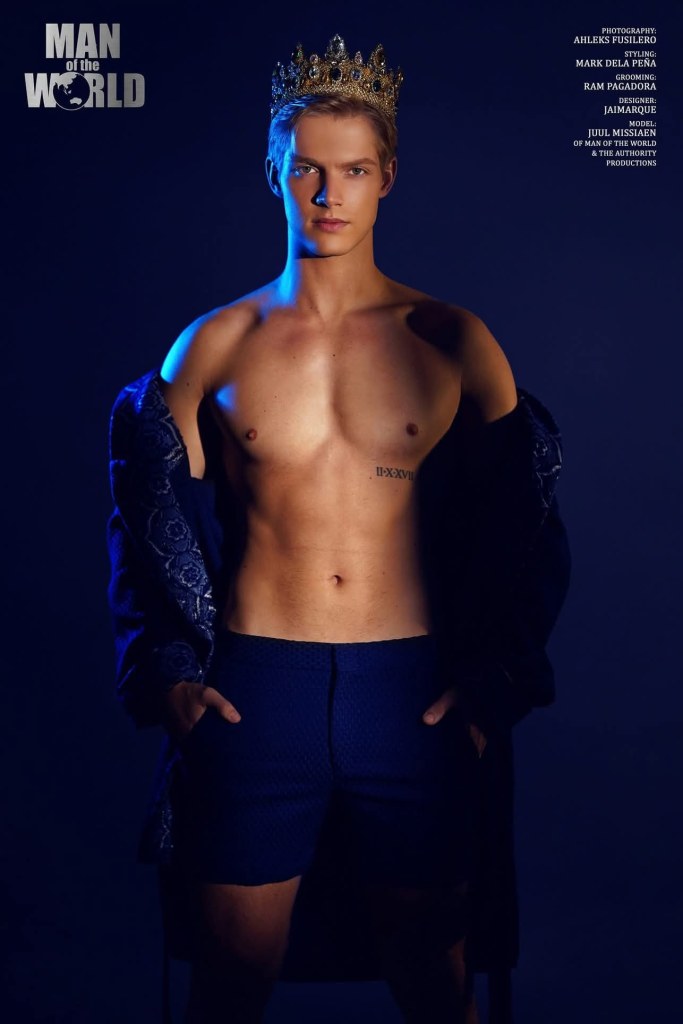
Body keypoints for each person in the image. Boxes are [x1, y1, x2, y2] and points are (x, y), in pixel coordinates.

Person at [107, 33, 571, 1024]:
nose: (328, 195)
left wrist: (493, 680)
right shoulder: (215, 343)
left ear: (386, 177)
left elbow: (526, 526)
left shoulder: (449, 339)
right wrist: (167, 673)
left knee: (434, 980)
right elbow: (138, 517)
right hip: (255, 688)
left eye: (352, 171)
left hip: (407, 692)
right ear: (273, 173)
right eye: (307, 170)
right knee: (228, 982)